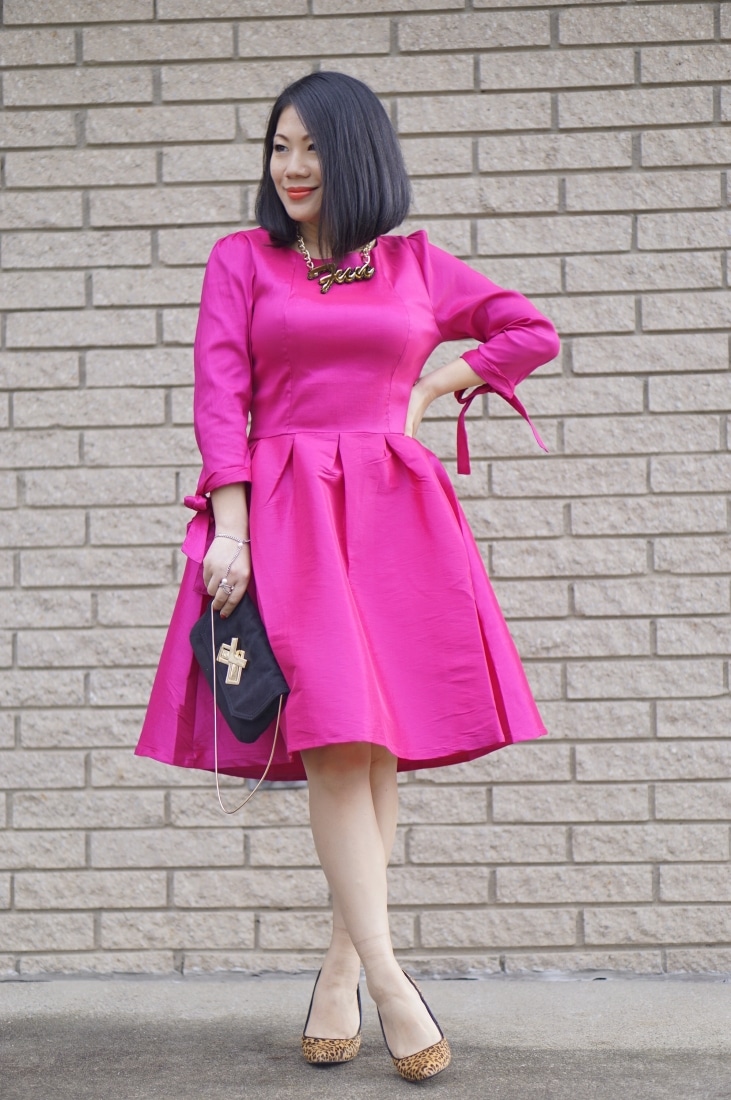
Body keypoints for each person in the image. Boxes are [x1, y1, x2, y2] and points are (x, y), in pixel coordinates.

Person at [136, 71, 559, 1082]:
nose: (290, 168)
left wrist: (428, 384)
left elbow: (525, 330)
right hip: (284, 513)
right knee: (332, 736)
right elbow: (217, 397)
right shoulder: (242, 259)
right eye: (278, 147)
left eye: (311, 148)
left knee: (374, 749)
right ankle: (390, 978)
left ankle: (335, 973)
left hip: (395, 515)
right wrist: (226, 530)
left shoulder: (413, 263)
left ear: (355, 151)